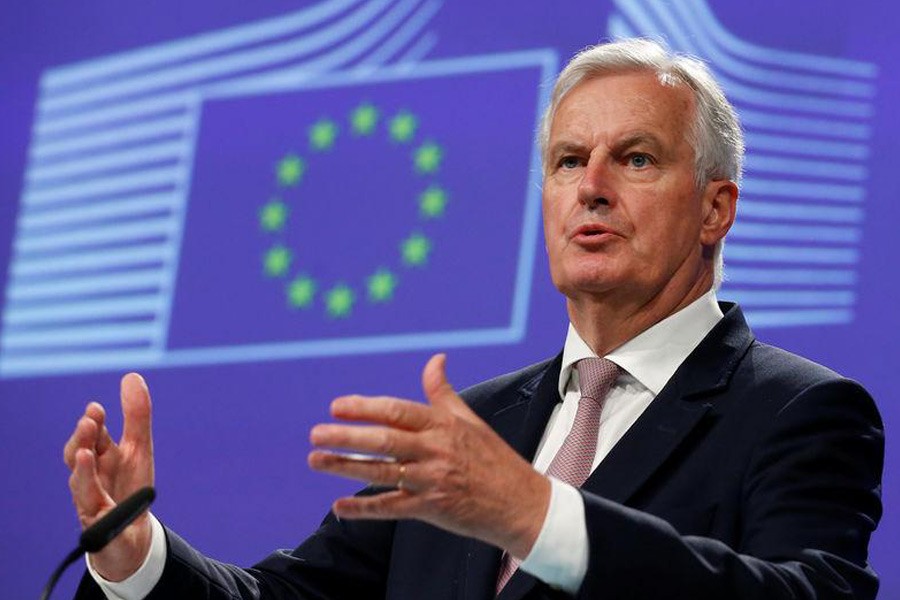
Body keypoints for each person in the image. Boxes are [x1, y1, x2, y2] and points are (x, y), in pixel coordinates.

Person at [66, 38, 884, 599]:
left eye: (636, 159)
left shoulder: (799, 412)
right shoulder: (472, 431)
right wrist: (137, 554)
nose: (591, 186)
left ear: (716, 209)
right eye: (568, 161)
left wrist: (534, 514)